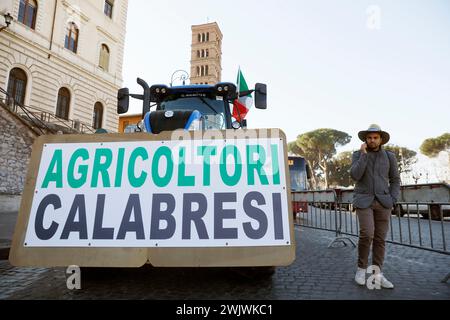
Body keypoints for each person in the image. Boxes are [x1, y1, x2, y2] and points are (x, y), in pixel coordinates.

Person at [350, 124, 400, 289]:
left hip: (384, 202)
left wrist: (392, 198)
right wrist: (364, 156)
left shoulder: (389, 156)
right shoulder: (358, 155)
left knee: (380, 239)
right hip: (363, 200)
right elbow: (355, 175)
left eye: (375, 137)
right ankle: (361, 269)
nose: (372, 140)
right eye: (369, 137)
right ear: (365, 139)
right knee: (367, 234)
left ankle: (377, 274)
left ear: (381, 139)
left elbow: (395, 179)